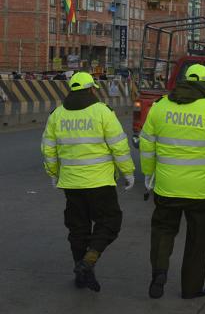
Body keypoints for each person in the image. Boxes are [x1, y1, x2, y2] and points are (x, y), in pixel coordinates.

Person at [139, 64, 205, 299]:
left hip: (167, 187)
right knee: (198, 240)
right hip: (202, 192)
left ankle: (159, 273)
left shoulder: (161, 106)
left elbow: (146, 143)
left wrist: (148, 172)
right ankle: (191, 287)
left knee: (163, 231)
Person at [41, 71, 135, 292]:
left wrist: (53, 174)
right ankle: (88, 261)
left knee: (78, 229)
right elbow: (119, 147)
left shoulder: (57, 115)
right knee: (110, 223)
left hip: (71, 184)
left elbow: (48, 150)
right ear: (92, 89)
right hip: (100, 182)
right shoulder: (103, 112)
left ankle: (82, 275)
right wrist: (128, 172)